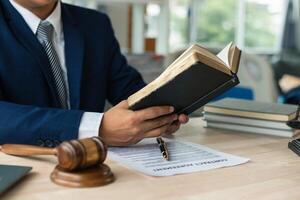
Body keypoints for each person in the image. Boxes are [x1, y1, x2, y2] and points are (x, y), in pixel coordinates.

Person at [0, 0, 188, 147]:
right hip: (24, 165)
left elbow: (127, 87)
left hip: (98, 163)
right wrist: (98, 127)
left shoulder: (95, 24)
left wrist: (162, 112)